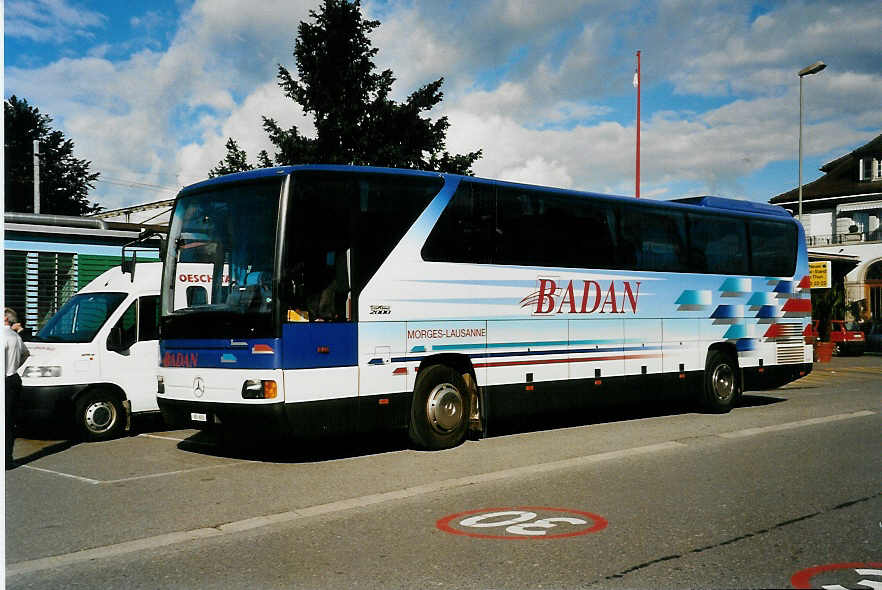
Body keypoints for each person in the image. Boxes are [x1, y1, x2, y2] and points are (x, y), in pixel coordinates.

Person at [5, 307, 30, 469]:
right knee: (8, 421)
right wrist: (15, 366)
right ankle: (7, 458)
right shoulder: (15, 336)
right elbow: (26, 354)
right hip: (12, 378)